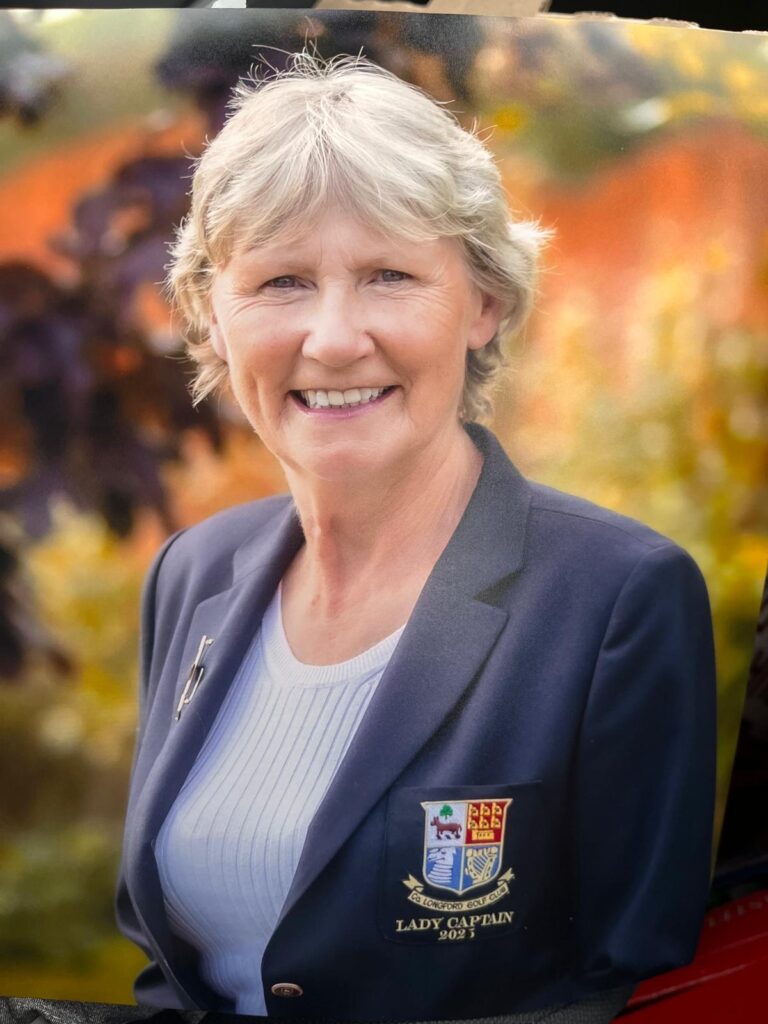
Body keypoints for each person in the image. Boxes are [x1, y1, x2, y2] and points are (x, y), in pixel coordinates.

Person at [115, 51, 717, 1023]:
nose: (334, 338)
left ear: (483, 303)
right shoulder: (191, 573)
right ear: (209, 315)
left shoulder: (619, 599)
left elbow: (638, 990)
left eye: (389, 275)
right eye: (281, 281)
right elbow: (164, 966)